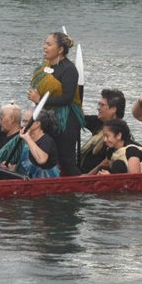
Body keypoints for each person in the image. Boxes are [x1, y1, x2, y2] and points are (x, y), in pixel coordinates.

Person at [28, 32, 84, 176]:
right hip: (47, 118)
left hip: (66, 121)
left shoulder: (69, 69)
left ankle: (79, 189)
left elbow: (67, 98)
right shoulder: (44, 66)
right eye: (45, 43)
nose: (44, 47)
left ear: (60, 50)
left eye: (49, 44)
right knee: (49, 157)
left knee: (66, 160)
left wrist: (40, 101)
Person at [0, 108, 61, 179]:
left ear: (37, 124)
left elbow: (42, 160)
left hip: (46, 184)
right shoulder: (29, 140)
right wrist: (11, 168)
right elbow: (27, 166)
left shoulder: (46, 141)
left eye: (26, 122)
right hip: (28, 182)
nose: (23, 125)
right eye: (23, 121)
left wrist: (28, 138)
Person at [79, 89, 125, 174]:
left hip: (95, 177)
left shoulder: (119, 132)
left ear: (113, 109)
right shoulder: (97, 122)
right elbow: (80, 117)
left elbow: (108, 160)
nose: (98, 108)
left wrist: (88, 176)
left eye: (102, 105)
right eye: (99, 104)